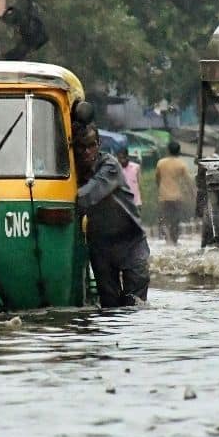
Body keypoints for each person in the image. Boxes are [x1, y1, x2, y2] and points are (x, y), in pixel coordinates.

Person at [74, 123, 149, 308]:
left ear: (98, 144)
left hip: (130, 241)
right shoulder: (72, 170)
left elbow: (87, 196)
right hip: (101, 245)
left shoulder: (109, 166)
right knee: (109, 307)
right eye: (81, 147)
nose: (86, 151)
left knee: (135, 304)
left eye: (91, 145)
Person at [154, 140, 195, 245]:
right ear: (179, 151)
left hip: (164, 197)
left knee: (165, 219)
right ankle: (174, 241)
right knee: (175, 221)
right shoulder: (181, 164)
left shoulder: (161, 163)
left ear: (168, 150)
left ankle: (167, 241)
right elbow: (188, 181)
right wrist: (193, 194)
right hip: (177, 197)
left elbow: (157, 179)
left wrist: (160, 189)